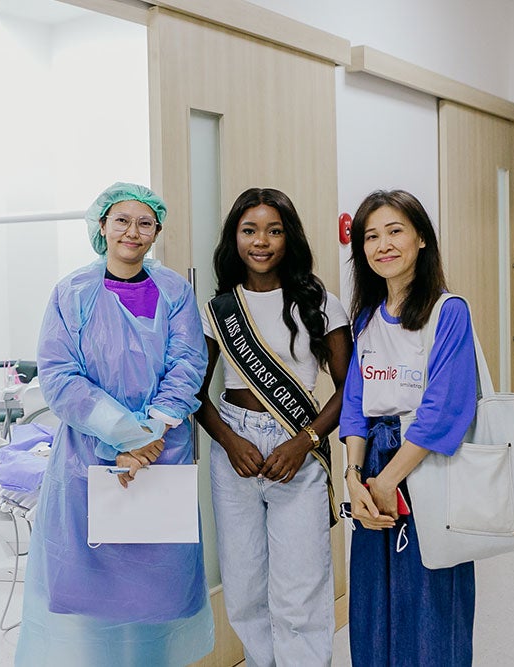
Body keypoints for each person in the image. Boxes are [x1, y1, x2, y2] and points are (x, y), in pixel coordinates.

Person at [14, 183, 214, 666]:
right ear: (101, 226)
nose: (132, 231)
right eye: (121, 220)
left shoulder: (175, 292)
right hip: (90, 458)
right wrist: (126, 436)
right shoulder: (73, 293)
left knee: (155, 598)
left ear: (156, 232)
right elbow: (60, 376)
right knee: (91, 597)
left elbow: (188, 362)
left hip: (161, 453)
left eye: (144, 222)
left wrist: (151, 433)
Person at [195, 187, 352, 666]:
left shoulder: (320, 302)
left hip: (298, 445)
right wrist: (229, 440)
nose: (260, 241)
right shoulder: (219, 308)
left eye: (274, 230)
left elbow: (351, 390)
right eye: (249, 230)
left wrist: (305, 442)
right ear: (234, 239)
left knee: (300, 587)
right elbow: (195, 394)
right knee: (244, 587)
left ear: (290, 238)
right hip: (235, 450)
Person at [339, 189, 477, 666]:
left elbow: (443, 409)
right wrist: (354, 480)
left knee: (430, 595)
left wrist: (388, 480)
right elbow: (355, 405)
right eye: (370, 236)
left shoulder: (448, 311)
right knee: (373, 599)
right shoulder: (365, 319)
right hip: (374, 465)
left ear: (420, 237)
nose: (383, 245)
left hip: (424, 462)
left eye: (395, 231)